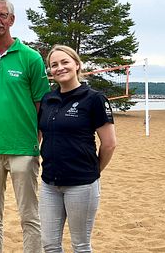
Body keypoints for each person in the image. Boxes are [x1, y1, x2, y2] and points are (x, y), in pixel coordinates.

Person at [0, 0, 51, 253]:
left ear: (12, 20)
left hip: (23, 151)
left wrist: (34, 140)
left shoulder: (31, 58)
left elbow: (41, 105)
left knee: (30, 217)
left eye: (2, 15)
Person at [38, 45, 117, 253]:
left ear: (77, 64)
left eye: (65, 62)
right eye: (54, 65)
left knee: (80, 246)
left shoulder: (94, 98)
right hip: (49, 183)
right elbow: (41, 135)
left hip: (81, 183)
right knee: (50, 245)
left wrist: (94, 172)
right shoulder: (48, 99)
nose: (60, 68)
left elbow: (109, 144)